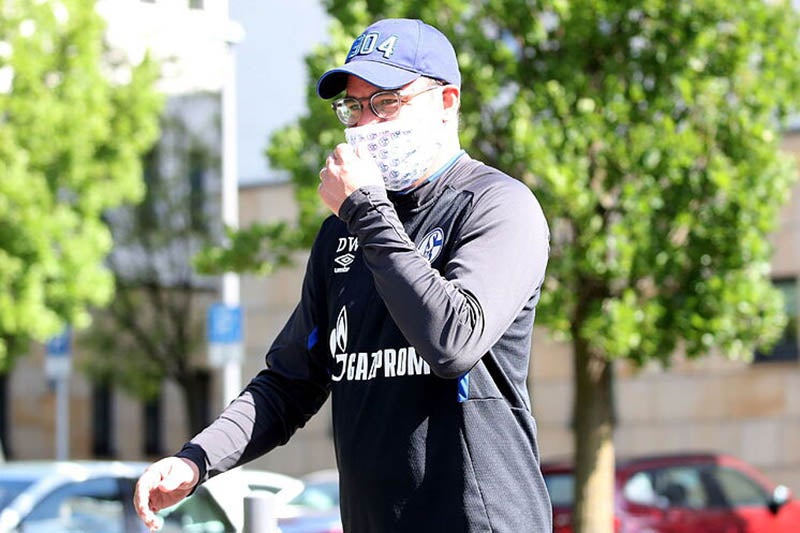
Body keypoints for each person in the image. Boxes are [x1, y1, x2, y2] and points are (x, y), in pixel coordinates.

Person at [134, 18, 552, 532]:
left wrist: (366, 209)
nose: (367, 124)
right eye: (354, 107)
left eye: (387, 102)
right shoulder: (344, 234)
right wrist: (196, 460)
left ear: (446, 102)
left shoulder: (495, 205)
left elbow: (451, 341)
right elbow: (289, 382)